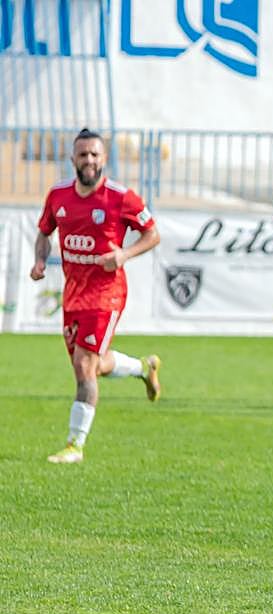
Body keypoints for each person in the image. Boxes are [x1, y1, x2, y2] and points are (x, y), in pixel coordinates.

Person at [30, 128, 162, 464]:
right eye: (83, 154)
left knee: (83, 365)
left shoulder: (121, 197)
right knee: (93, 365)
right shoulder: (58, 196)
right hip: (74, 293)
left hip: (107, 292)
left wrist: (124, 255)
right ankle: (143, 368)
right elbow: (44, 232)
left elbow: (152, 235)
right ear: (73, 159)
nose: (89, 160)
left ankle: (75, 445)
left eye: (95, 155)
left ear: (104, 159)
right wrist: (40, 259)